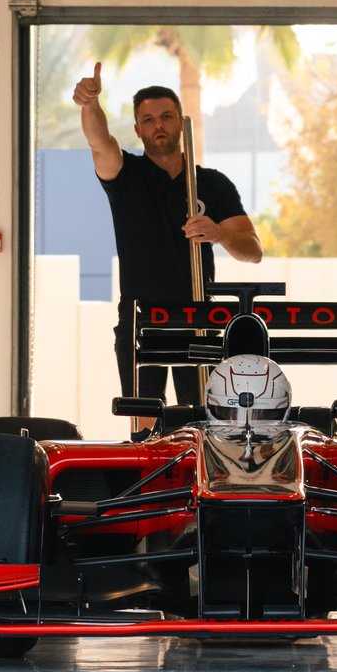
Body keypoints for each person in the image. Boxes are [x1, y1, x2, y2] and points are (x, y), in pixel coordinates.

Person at [74, 64, 263, 436]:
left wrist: (220, 234)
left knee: (201, 427)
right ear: (137, 129)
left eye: (165, 116)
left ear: (180, 122)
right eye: (148, 119)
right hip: (140, 320)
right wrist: (91, 103)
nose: (158, 125)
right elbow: (99, 141)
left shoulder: (211, 183)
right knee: (146, 430)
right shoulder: (126, 174)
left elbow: (252, 250)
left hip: (199, 320)